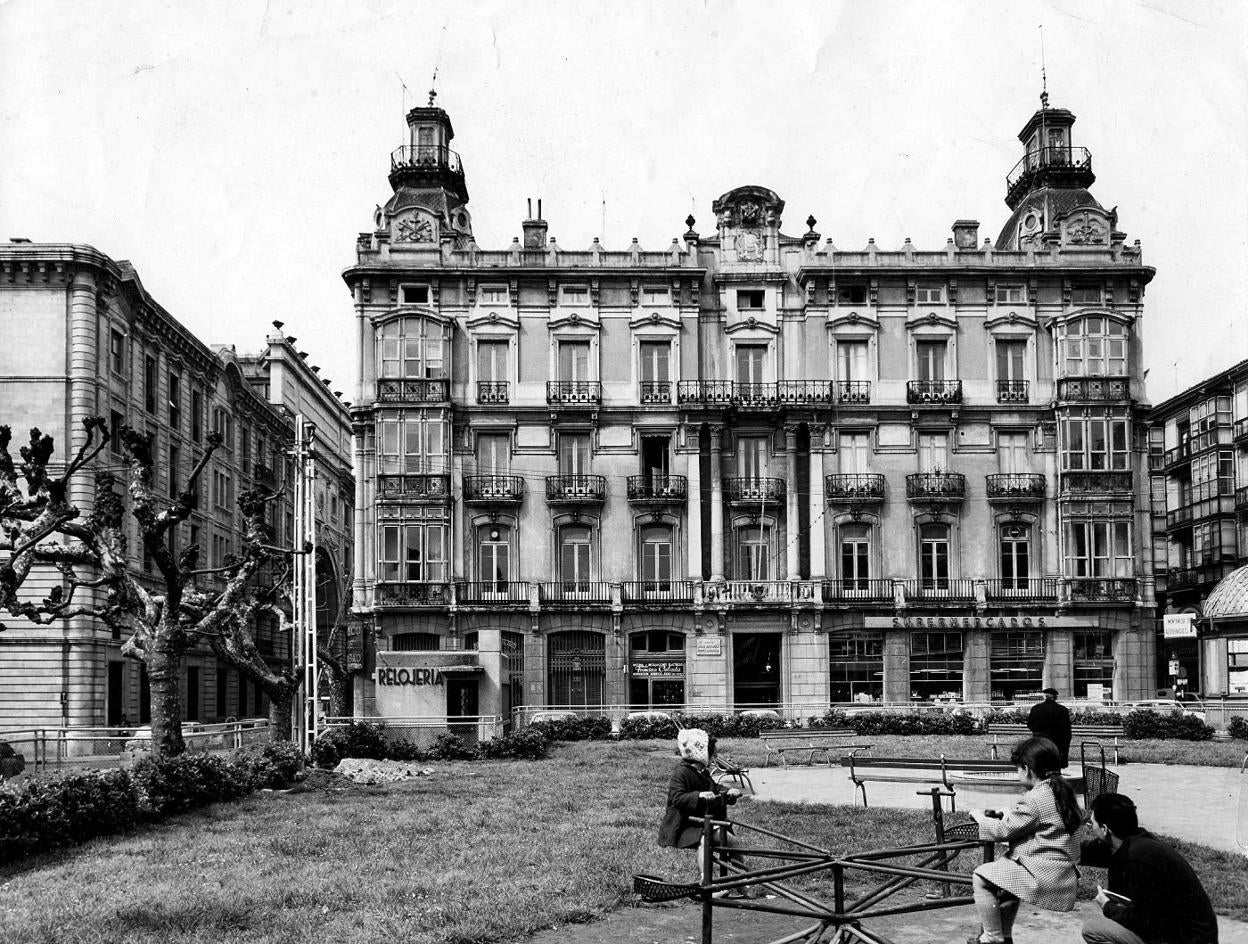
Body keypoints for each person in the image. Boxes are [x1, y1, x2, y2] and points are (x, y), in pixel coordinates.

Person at [965, 736, 1083, 944]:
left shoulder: (1034, 799)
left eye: (1017, 768)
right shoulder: (1061, 791)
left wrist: (980, 817)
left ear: (1027, 769)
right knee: (1007, 882)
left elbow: (1002, 831)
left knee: (981, 878)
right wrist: (1010, 812)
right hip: (1062, 873)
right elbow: (1038, 820)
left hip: (1043, 876)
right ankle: (1005, 936)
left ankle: (992, 936)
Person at [1079, 793, 1218, 944]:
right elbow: (1088, 851)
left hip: (1186, 938)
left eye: (1091, 823)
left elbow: (1145, 921)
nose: (1091, 827)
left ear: (1105, 829)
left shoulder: (1137, 860)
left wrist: (1108, 906)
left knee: (1093, 930)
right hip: (1183, 932)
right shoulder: (1133, 843)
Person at [657, 728, 745, 886]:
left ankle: (742, 880)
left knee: (731, 842)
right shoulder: (682, 773)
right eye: (713, 754)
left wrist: (728, 792)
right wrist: (698, 795)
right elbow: (677, 798)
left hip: (702, 823)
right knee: (706, 840)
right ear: (703, 754)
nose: (715, 758)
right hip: (685, 825)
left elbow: (715, 789)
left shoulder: (703, 773)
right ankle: (707, 882)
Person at [1028, 687, 1072, 767]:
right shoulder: (1062, 710)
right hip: (1056, 743)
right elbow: (1066, 730)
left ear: (1044, 697)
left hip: (1039, 742)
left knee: (1041, 764)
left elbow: (1030, 725)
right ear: (1055, 697)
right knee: (1055, 765)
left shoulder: (1035, 708)